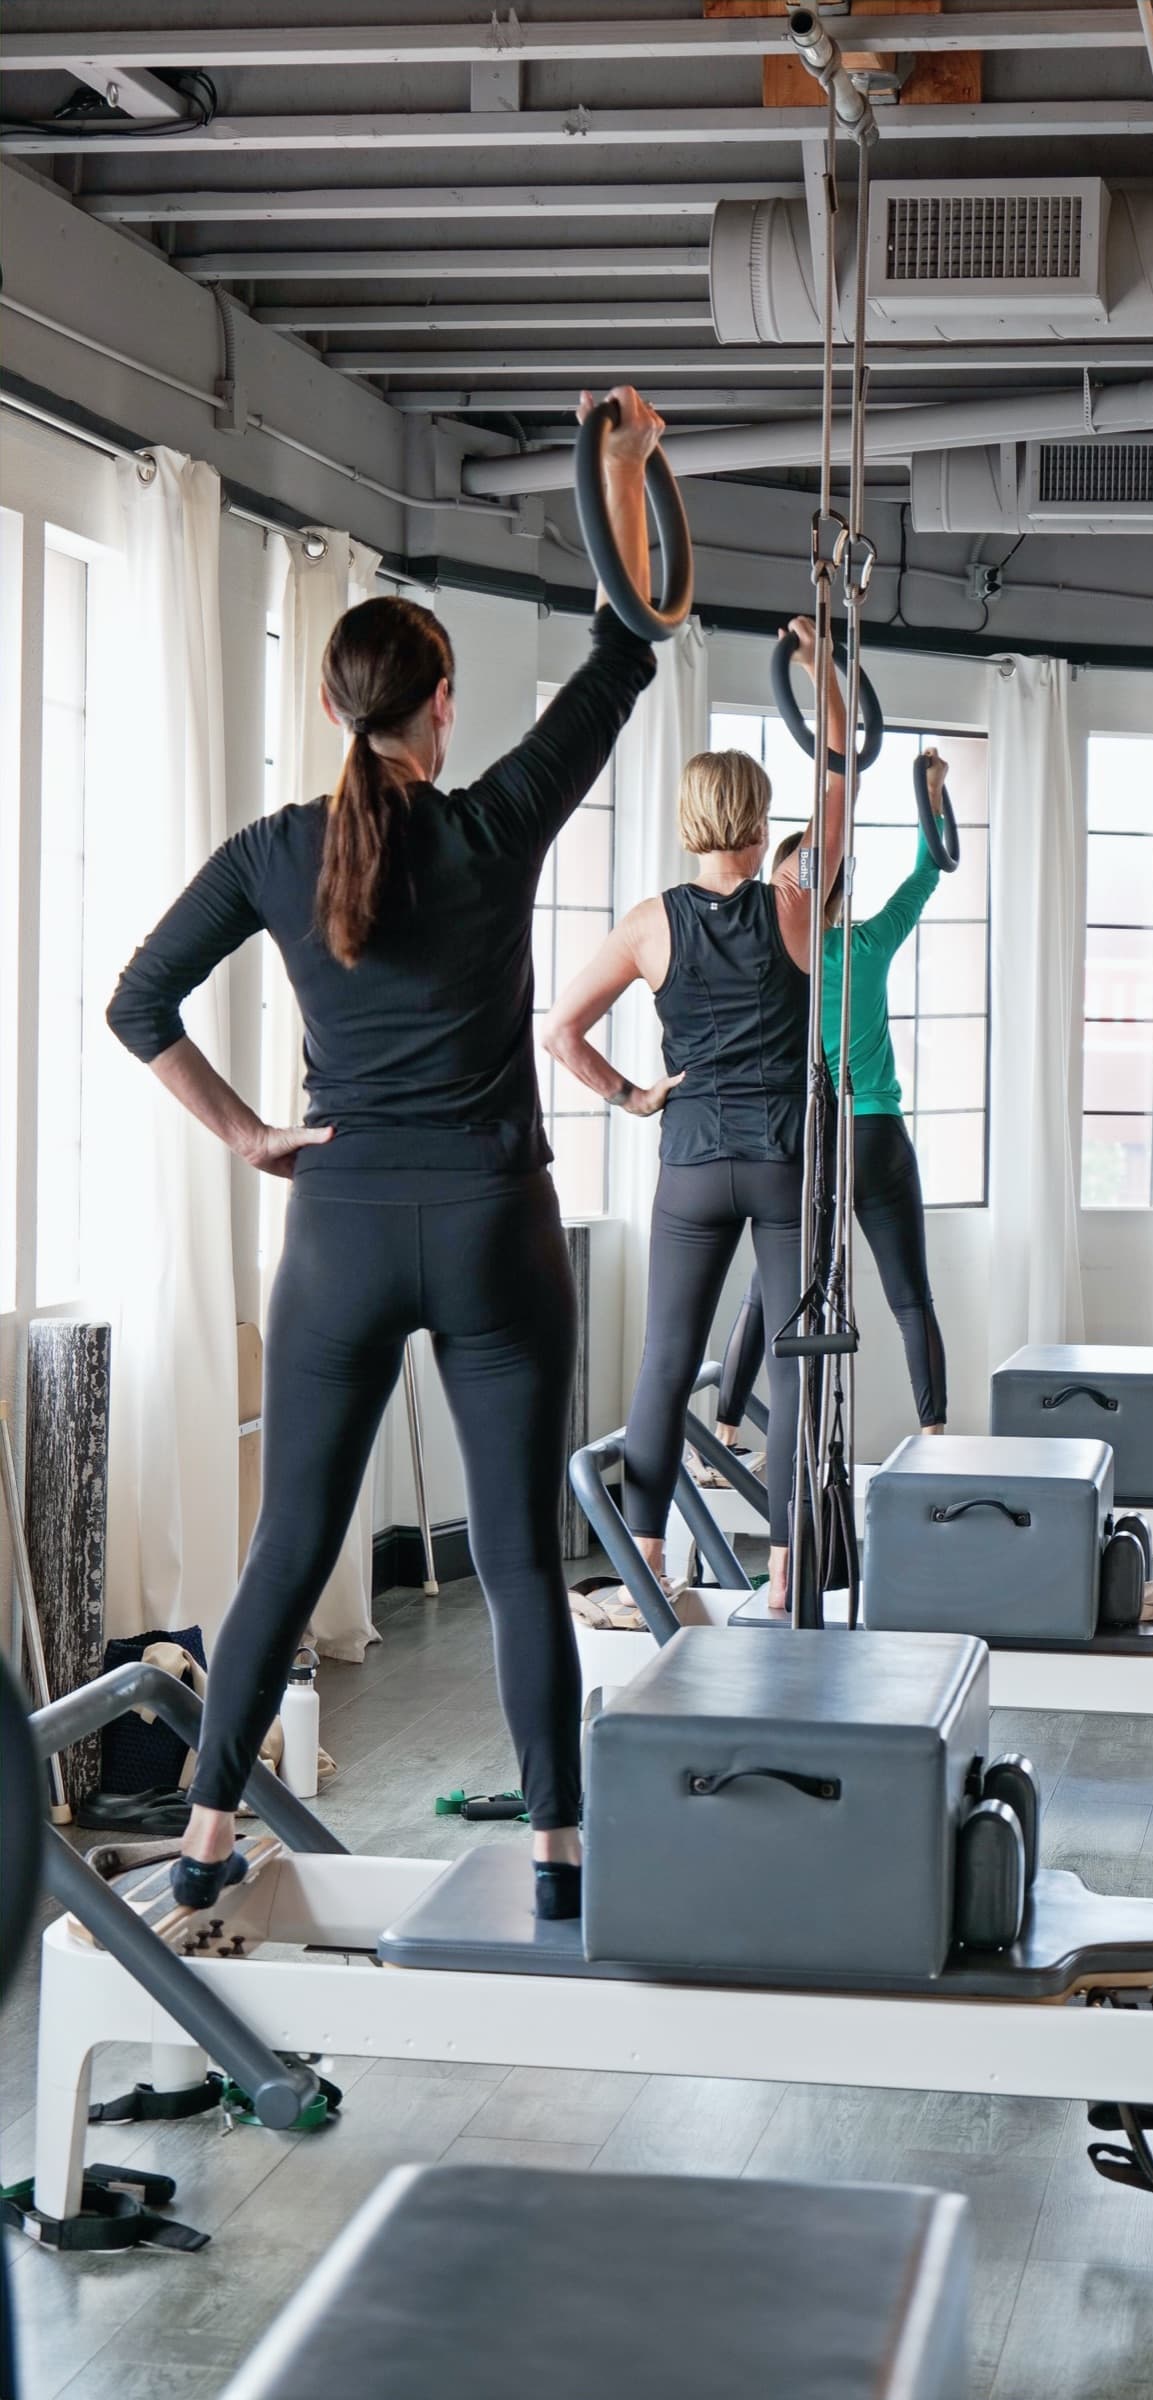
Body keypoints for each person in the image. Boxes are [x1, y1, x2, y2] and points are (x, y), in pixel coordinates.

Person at [106, 386, 665, 1922]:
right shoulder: (492, 826)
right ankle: (558, 1866)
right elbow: (631, 638)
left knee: (288, 1541)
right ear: (439, 706)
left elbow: (136, 1002)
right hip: (493, 1225)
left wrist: (251, 1136)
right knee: (517, 1560)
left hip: (338, 1230)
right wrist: (615, 470)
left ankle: (208, 1842)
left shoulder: (275, 852)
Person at [541, 622, 847, 1612]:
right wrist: (821, 672)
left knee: (665, 1355)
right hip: (779, 1157)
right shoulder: (794, 901)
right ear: (762, 829)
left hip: (690, 1156)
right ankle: (792, 1563)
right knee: (797, 1351)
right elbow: (841, 774)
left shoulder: (650, 921)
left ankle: (647, 1562)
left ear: (687, 826)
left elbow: (559, 1032)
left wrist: (632, 1096)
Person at [708, 754, 950, 1468]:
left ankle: (721, 1440)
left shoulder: (772, 961)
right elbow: (926, 874)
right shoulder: (867, 942)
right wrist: (930, 798)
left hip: (807, 1142)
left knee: (764, 1291)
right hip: (874, 1133)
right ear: (840, 888)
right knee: (910, 1295)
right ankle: (935, 1438)